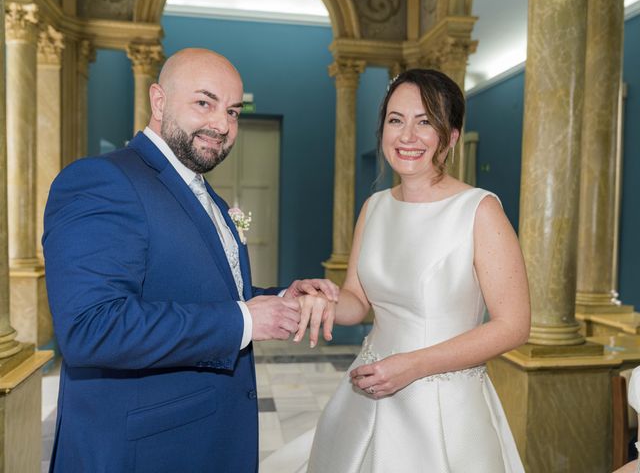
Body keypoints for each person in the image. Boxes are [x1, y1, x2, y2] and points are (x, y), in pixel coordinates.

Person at [42, 48, 337, 473]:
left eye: (234, 112)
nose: (222, 125)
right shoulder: (103, 180)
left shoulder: (203, 192)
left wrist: (279, 297)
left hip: (207, 441)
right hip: (145, 452)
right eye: (205, 103)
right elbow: (91, 328)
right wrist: (246, 322)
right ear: (159, 101)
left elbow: (199, 290)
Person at [300, 69, 531, 472]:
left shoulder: (480, 211)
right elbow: (358, 301)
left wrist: (413, 366)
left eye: (425, 122)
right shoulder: (374, 208)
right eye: (396, 120)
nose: (407, 136)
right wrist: (325, 302)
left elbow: (513, 325)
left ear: (452, 136)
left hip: (442, 403)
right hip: (367, 390)